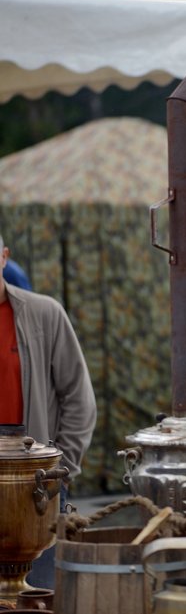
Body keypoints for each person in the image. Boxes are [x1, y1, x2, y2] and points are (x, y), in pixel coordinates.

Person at [0, 232, 97, 588]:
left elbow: (79, 398)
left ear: (4, 257)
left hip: (35, 484)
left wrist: (60, 470)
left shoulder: (43, 314)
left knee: (37, 592)